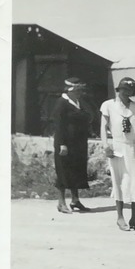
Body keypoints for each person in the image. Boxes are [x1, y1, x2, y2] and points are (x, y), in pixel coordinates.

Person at [99, 77, 135, 232]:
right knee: (119, 182)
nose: (127, 93)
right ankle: (120, 217)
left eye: (130, 91)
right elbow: (103, 127)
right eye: (124, 90)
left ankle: (134, 218)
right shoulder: (108, 105)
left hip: (134, 149)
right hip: (117, 148)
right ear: (118, 90)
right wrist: (106, 145)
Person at [52, 77, 92, 214]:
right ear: (70, 90)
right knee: (63, 171)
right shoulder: (61, 103)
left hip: (78, 143)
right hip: (65, 143)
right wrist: (62, 144)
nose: (80, 93)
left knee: (76, 170)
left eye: (81, 90)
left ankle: (75, 200)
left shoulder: (79, 102)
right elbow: (58, 125)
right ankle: (61, 203)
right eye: (78, 90)